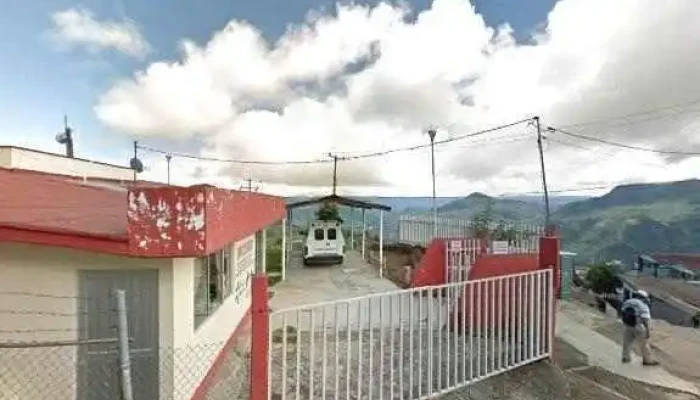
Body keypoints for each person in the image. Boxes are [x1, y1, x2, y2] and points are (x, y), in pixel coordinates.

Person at [620, 289, 659, 365]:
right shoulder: (643, 306)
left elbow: (622, 312)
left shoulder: (628, 302)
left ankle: (625, 357)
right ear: (643, 298)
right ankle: (647, 360)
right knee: (644, 344)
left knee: (627, 343)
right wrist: (648, 331)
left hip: (628, 325)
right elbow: (646, 320)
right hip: (638, 327)